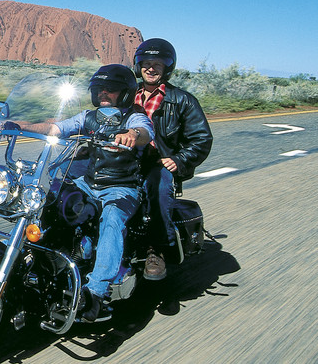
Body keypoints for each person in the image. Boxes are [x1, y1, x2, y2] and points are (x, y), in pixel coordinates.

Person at [16, 64, 154, 322]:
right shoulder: (88, 117)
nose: (104, 92)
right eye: (99, 88)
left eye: (111, 89)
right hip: (88, 183)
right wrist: (18, 125)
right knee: (49, 196)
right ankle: (39, 261)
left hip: (121, 187)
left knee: (112, 219)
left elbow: (144, 132)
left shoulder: (134, 116)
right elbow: (55, 128)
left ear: (124, 93)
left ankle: (96, 294)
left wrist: (132, 135)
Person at [133, 38, 213, 280]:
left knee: (158, 185)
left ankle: (156, 249)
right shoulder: (126, 95)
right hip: (123, 161)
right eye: (146, 63)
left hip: (159, 164)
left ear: (167, 68)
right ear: (138, 66)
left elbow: (201, 138)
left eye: (157, 64)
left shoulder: (182, 100)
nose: (151, 68)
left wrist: (179, 158)